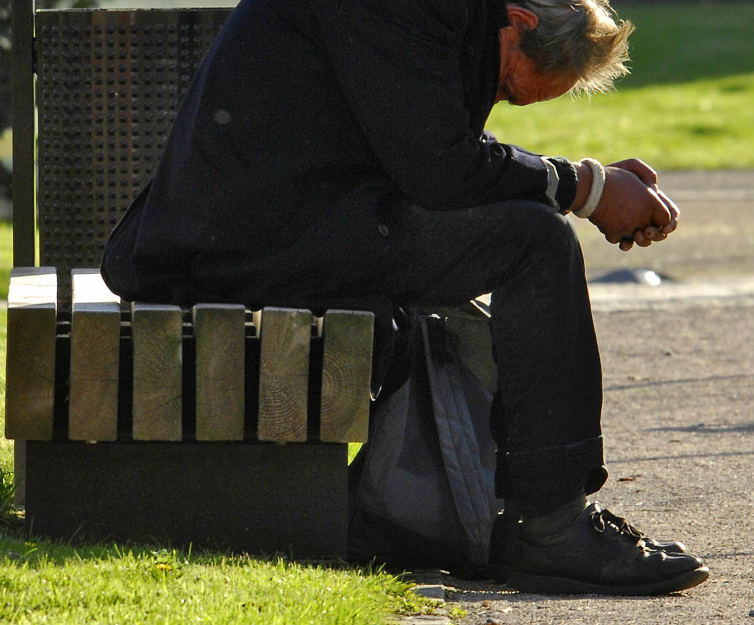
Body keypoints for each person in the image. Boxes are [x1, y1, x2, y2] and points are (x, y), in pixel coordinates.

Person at [101, 0, 707, 597]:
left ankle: (532, 512)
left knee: (526, 223)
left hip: (270, 220)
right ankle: (551, 526)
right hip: (244, 242)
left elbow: (432, 138)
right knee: (536, 243)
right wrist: (587, 189)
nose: (493, 100)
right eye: (507, 87)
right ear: (519, 23)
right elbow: (440, 167)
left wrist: (583, 185)